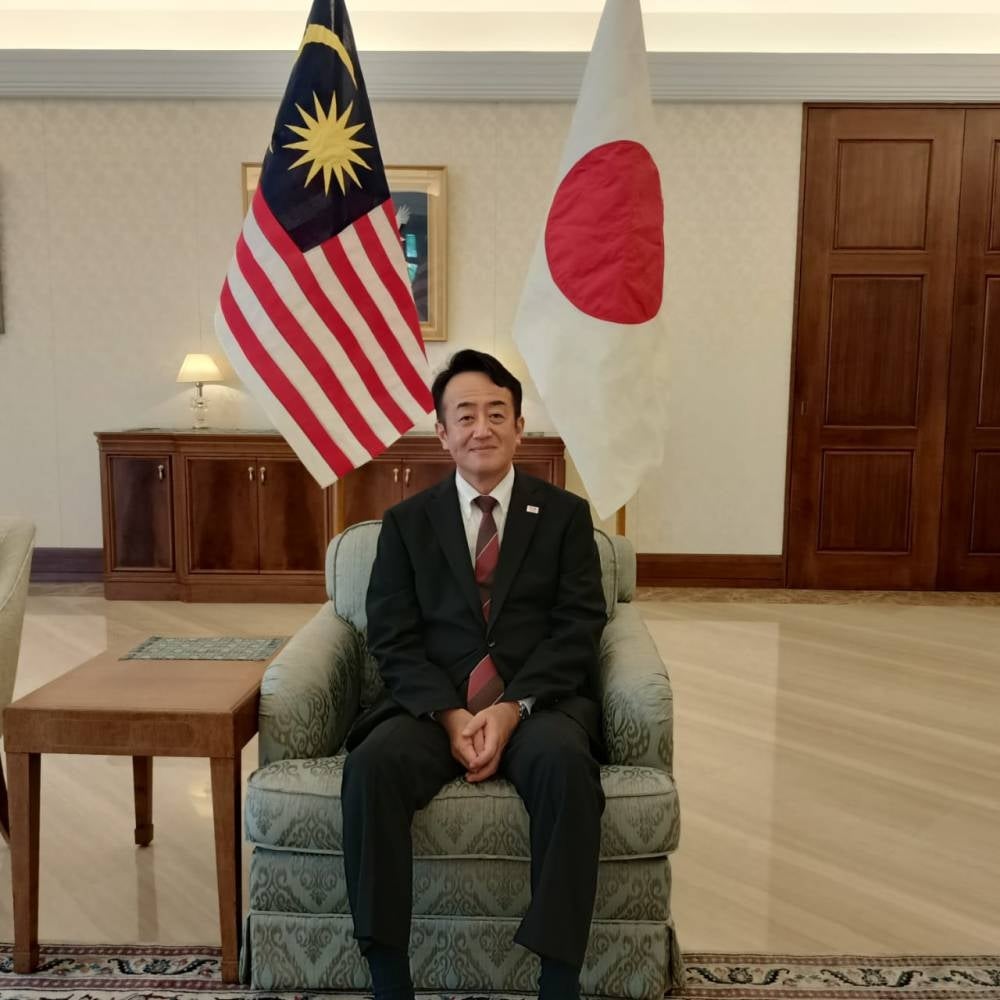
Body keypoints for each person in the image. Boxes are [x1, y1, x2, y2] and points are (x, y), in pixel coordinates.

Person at [341, 349, 607, 1000]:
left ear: (519, 427)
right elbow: (393, 636)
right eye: (464, 415)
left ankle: (559, 980)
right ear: (442, 433)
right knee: (372, 766)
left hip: (534, 705)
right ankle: (388, 976)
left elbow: (578, 626)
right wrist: (450, 713)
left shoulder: (565, 517)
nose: (480, 428)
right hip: (436, 709)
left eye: (496, 413)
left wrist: (513, 707)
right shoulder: (406, 524)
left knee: (567, 768)